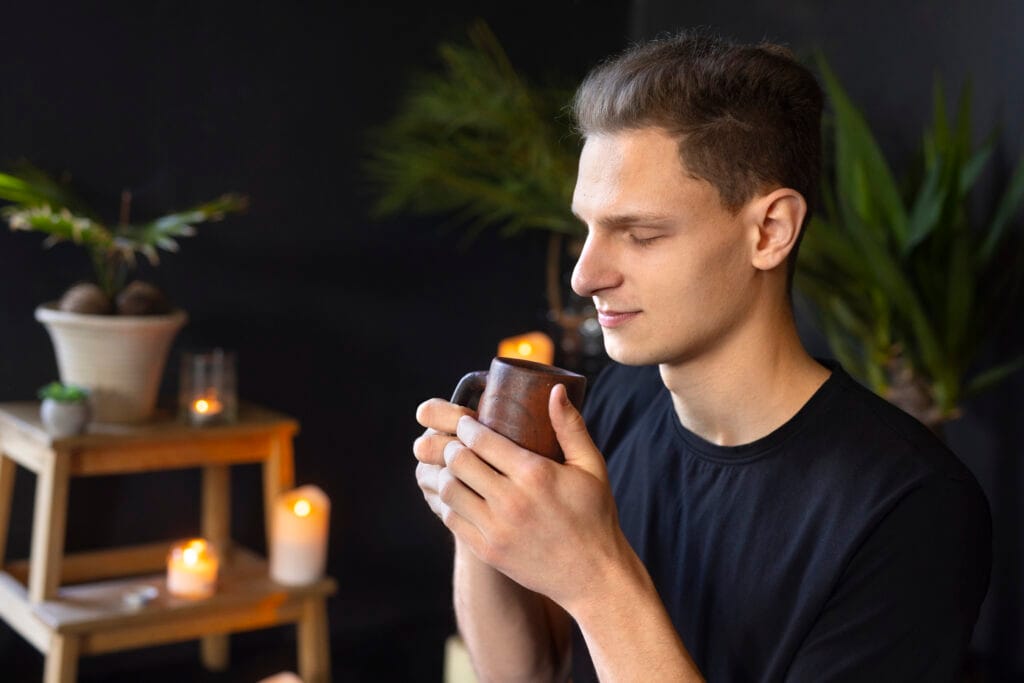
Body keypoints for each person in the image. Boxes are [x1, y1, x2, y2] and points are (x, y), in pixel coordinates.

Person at [413, 30, 991, 682]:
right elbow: (527, 674)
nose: (584, 274)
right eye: (588, 228)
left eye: (640, 233)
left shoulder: (910, 509)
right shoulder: (613, 409)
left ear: (769, 231)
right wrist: (482, 520)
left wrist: (598, 579)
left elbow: (593, 597)